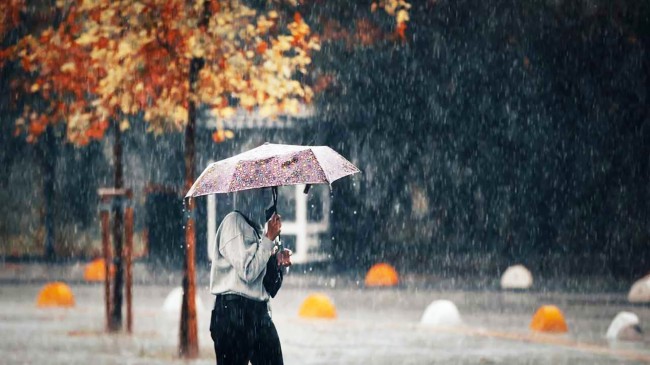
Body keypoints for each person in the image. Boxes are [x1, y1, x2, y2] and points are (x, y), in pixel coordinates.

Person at [209, 188, 291, 365]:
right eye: (261, 192)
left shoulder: (258, 228)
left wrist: (276, 261)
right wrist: (268, 239)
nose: (265, 198)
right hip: (233, 312)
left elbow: (270, 286)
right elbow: (248, 272)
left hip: (259, 312)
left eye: (268, 192)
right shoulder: (233, 223)